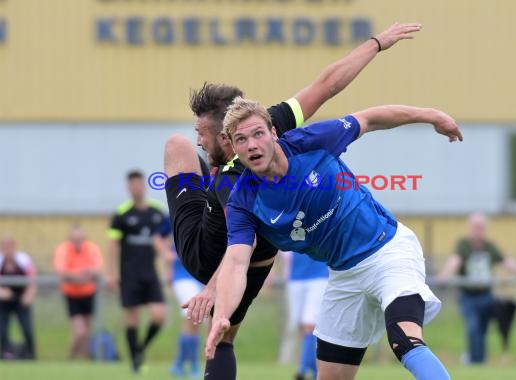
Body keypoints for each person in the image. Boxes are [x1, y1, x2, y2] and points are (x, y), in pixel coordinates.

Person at [165, 22, 422, 380]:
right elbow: (327, 85)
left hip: (215, 259)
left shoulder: (233, 183)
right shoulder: (270, 127)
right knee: (224, 338)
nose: (198, 140)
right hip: (250, 259)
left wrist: (211, 292)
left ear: (224, 139)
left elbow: (236, 253)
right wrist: (376, 44)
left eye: (202, 134)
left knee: (176, 147)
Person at [206, 97, 463, 380]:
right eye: (241, 139)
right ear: (233, 147)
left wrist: (431, 114)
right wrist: (222, 315)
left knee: (404, 339)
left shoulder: (310, 141)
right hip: (344, 276)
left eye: (258, 133)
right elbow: (236, 261)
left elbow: (369, 117)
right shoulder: (243, 200)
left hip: (388, 251)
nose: (252, 144)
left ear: (273, 133)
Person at [437, 212, 516, 364]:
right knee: (473, 328)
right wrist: (445, 275)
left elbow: (507, 263)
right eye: (476, 227)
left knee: (483, 329)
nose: (478, 230)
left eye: (481, 227)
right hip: (468, 296)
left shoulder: (489, 246)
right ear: (470, 228)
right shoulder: (463, 245)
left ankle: (481, 362)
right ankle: (474, 361)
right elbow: (455, 261)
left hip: (486, 295)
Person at [107, 170, 169, 373]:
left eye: (139, 184)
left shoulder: (157, 212)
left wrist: (167, 268)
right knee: (132, 318)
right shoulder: (122, 214)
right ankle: (135, 361)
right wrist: (112, 274)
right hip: (129, 274)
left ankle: (140, 349)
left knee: (159, 315)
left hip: (150, 273)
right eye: (132, 185)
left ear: (144, 186)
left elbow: (166, 242)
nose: (137, 188)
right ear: (129, 188)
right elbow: (113, 246)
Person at [158, 217, 204, 378]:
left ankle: (179, 363)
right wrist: (166, 256)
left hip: (202, 275)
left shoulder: (211, 207)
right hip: (181, 274)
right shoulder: (177, 210)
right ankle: (193, 366)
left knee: (196, 320)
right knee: (193, 315)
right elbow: (157, 236)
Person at [53, 224, 104, 359]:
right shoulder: (63, 249)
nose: (78, 243)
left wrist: (80, 275)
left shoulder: (92, 248)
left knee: (87, 331)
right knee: (79, 331)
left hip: (89, 293)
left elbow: (97, 270)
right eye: (75, 240)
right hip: (72, 294)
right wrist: (80, 275)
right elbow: (61, 272)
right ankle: (70, 356)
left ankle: (84, 359)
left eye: (80, 240)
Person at [279, 251, 328, 380]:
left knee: (310, 324)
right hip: (295, 278)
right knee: (301, 325)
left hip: (319, 276)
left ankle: (304, 368)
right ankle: (314, 368)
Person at [0, 235, 37, 360]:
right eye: (5, 246)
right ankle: (3, 355)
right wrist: (2, 292)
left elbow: (33, 279)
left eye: (10, 246)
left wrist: (29, 295)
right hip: (4, 301)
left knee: (27, 329)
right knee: (2, 330)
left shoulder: (23, 259)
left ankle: (31, 355)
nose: (7, 249)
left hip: (21, 299)